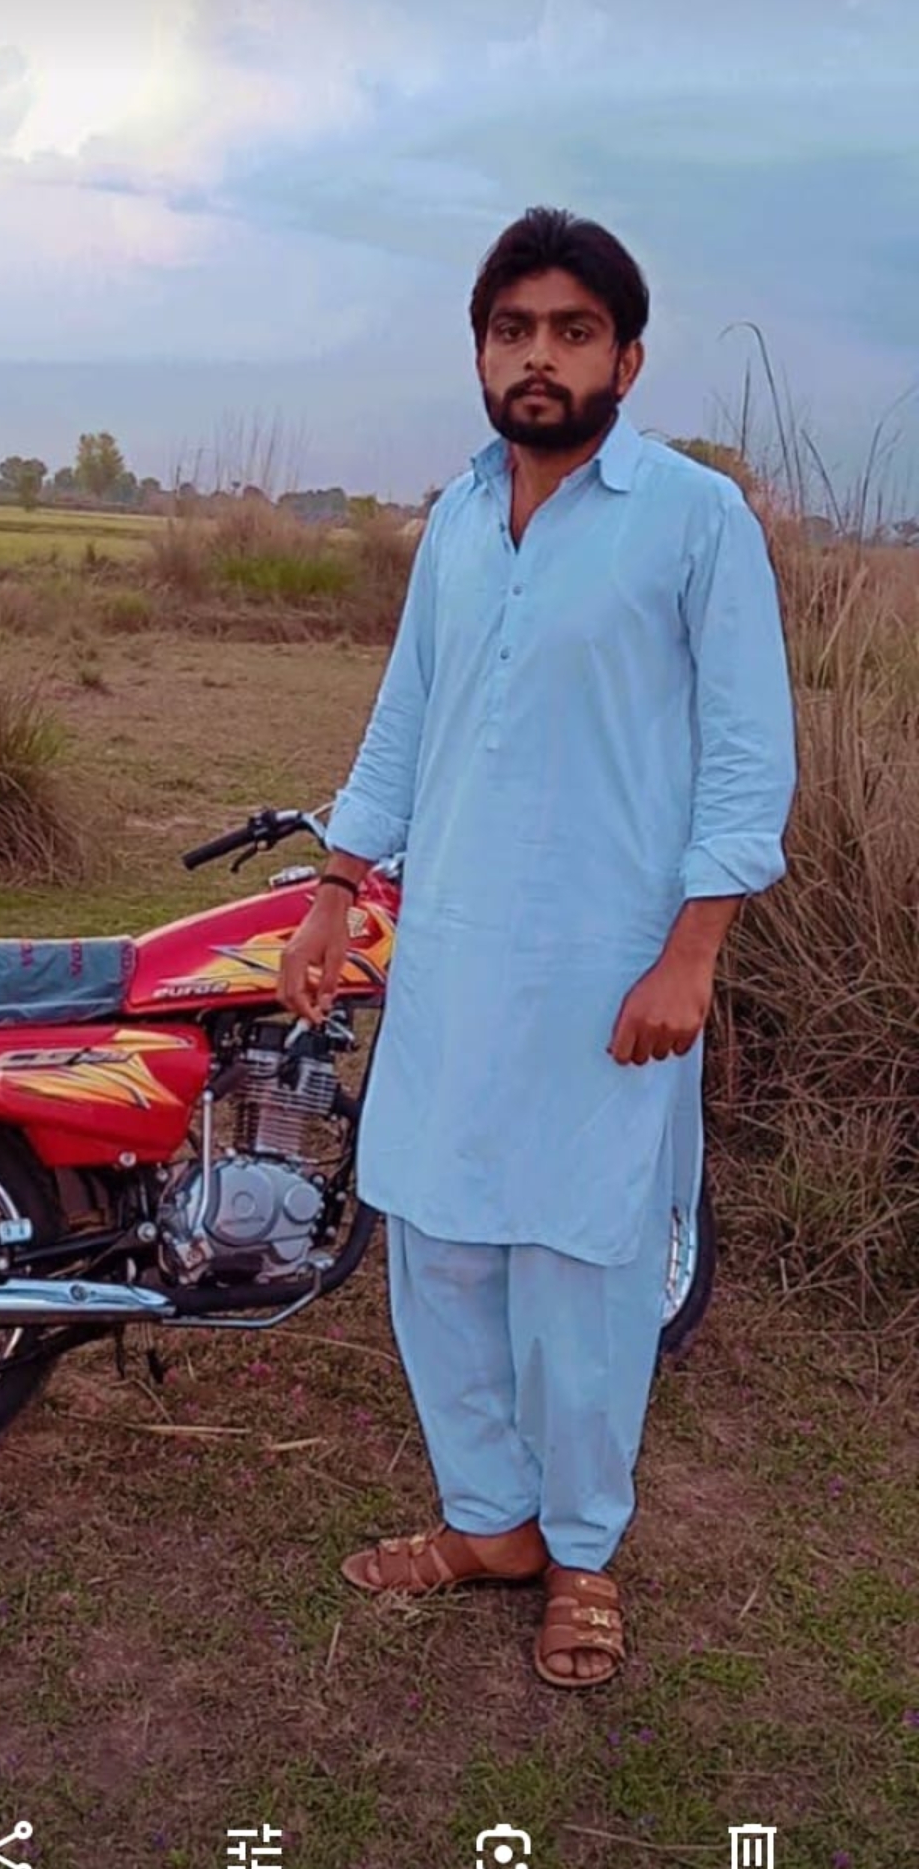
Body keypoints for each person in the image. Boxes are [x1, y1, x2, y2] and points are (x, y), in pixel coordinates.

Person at [276, 207, 797, 1690]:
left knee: (582, 1266)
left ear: (627, 358)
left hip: (607, 968)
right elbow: (405, 720)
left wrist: (692, 954)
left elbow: (747, 759)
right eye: (514, 330)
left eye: (574, 331)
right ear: (481, 352)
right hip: (450, 954)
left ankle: (580, 1553)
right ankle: (490, 1523)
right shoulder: (456, 518)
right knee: (437, 1244)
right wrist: (336, 889)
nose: (540, 357)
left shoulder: (693, 518)